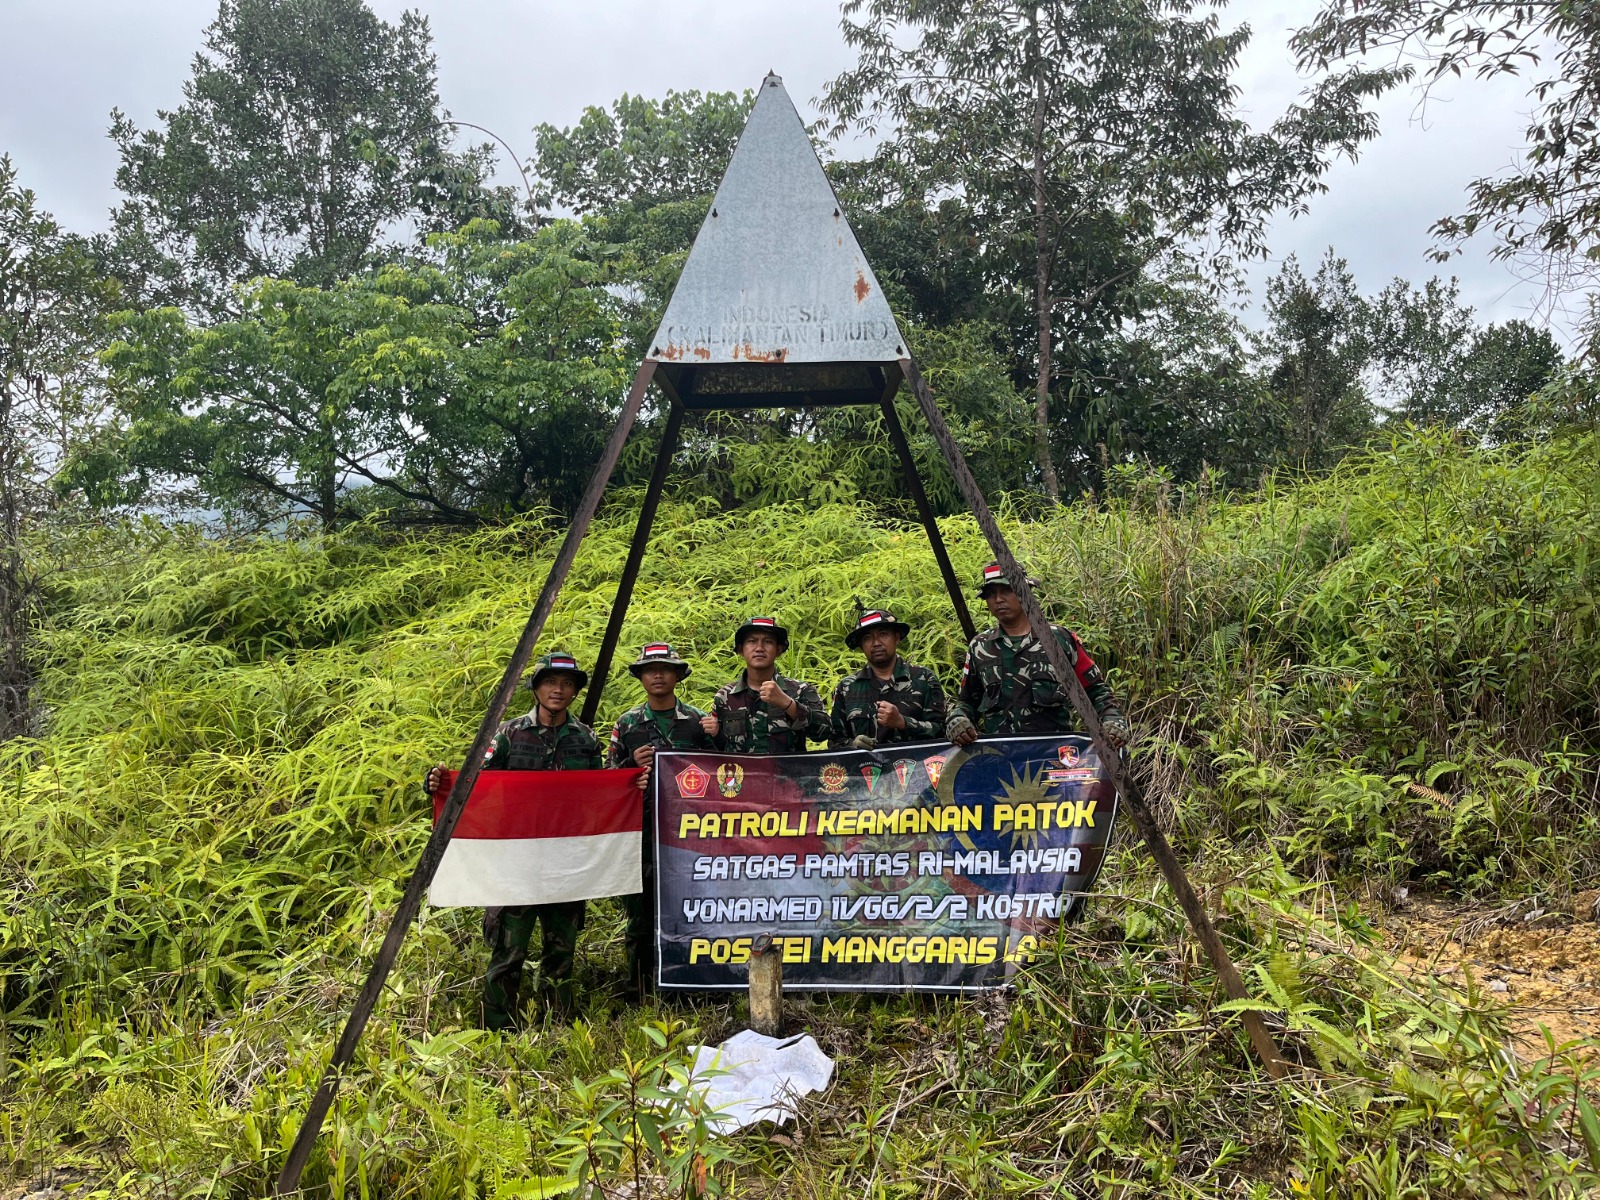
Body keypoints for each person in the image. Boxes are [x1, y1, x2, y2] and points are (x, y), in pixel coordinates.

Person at [425, 651, 602, 1028]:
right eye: (551, 682)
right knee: (509, 950)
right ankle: (497, 1027)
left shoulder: (586, 740)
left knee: (562, 948)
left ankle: (558, 1023)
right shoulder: (508, 735)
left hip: (564, 863)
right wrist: (441, 784)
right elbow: (476, 785)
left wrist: (627, 787)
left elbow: (598, 795)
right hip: (516, 863)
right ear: (536, 688)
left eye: (568, 684)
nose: (559, 690)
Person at [606, 642, 713, 996]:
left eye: (665, 669)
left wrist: (716, 737)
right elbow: (607, 781)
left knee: (689, 907)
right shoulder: (627, 724)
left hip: (690, 832)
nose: (657, 675)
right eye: (650, 670)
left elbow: (724, 773)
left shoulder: (699, 722)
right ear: (640, 677)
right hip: (643, 832)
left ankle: (687, 982)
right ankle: (639, 985)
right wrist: (628, 765)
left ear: (677, 675)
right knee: (640, 912)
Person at [946, 563, 1131, 747]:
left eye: (1006, 590)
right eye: (991, 594)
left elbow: (1096, 691)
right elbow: (968, 701)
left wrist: (1112, 721)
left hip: (1056, 758)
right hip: (1001, 760)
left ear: (1025, 591)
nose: (998, 599)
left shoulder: (1059, 640)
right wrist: (958, 720)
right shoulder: (980, 647)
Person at [703, 616, 828, 753]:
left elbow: (824, 732)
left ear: (778, 650)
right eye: (752, 641)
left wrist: (787, 704)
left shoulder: (800, 690)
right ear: (741, 649)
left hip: (788, 773)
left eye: (768, 642)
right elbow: (717, 754)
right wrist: (715, 734)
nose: (759, 648)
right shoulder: (725, 696)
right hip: (742, 773)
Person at [828, 607, 948, 750]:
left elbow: (943, 731)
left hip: (916, 769)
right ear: (861, 645)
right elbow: (835, 741)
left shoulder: (924, 679)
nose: (876, 643)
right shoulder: (847, 688)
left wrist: (903, 723)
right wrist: (853, 745)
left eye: (883, 634)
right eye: (867, 638)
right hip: (866, 770)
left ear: (897, 637)